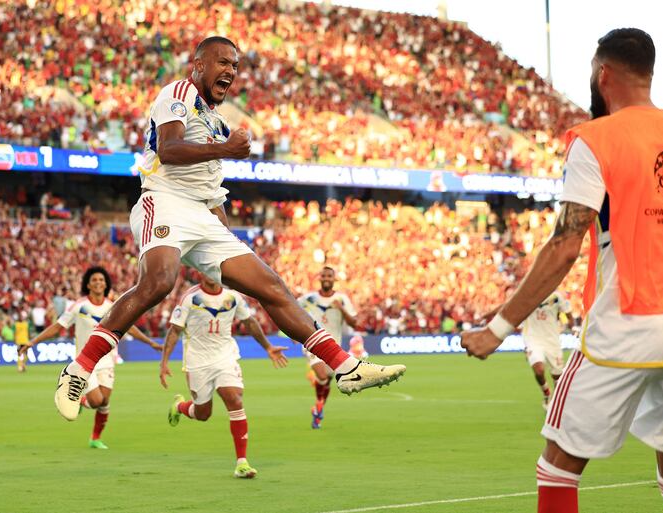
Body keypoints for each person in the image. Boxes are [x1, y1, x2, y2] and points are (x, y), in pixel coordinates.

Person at [54, 36, 405, 421]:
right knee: (159, 281)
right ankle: (79, 368)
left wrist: (230, 244)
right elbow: (169, 150)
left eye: (235, 66)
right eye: (222, 62)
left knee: (270, 285)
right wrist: (227, 150)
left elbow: (212, 195)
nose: (230, 71)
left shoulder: (218, 122)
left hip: (203, 217)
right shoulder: (178, 92)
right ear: (199, 64)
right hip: (164, 200)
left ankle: (344, 367)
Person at [460, 28, 663, 513]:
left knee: (558, 462)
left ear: (603, 75)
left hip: (628, 322)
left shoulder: (595, 139)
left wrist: (497, 329)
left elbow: (564, 247)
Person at [159, 273, 288, 478]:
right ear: (199, 272)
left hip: (225, 357)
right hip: (198, 362)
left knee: (235, 399)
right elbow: (175, 330)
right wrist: (164, 361)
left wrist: (268, 347)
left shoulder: (233, 297)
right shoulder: (189, 298)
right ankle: (180, 407)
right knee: (203, 414)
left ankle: (242, 462)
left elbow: (250, 322)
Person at [20, 267, 162, 449]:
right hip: (86, 361)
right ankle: (77, 399)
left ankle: (95, 438)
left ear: (106, 284)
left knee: (104, 402)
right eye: (94, 280)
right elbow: (58, 327)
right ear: (88, 284)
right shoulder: (79, 306)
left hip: (107, 360)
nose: (98, 282)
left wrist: (150, 343)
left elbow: (129, 328)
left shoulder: (113, 306)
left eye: (101, 280)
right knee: (95, 401)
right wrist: (33, 342)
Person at [298, 266, 359, 429]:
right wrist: (294, 332)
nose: (326, 278)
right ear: (319, 277)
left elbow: (354, 322)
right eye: (323, 275)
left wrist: (341, 308)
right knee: (323, 375)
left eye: (329, 276)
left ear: (334, 279)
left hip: (333, 346)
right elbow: (292, 309)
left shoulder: (342, 299)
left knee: (327, 379)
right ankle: (318, 392)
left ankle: (318, 408)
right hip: (313, 342)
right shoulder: (309, 299)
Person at [520, 291, 573, 410]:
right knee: (538, 370)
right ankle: (546, 393)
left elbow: (569, 316)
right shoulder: (528, 293)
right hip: (533, 338)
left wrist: (572, 328)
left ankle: (556, 403)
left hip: (552, 341)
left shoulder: (557, 297)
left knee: (557, 378)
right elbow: (510, 307)